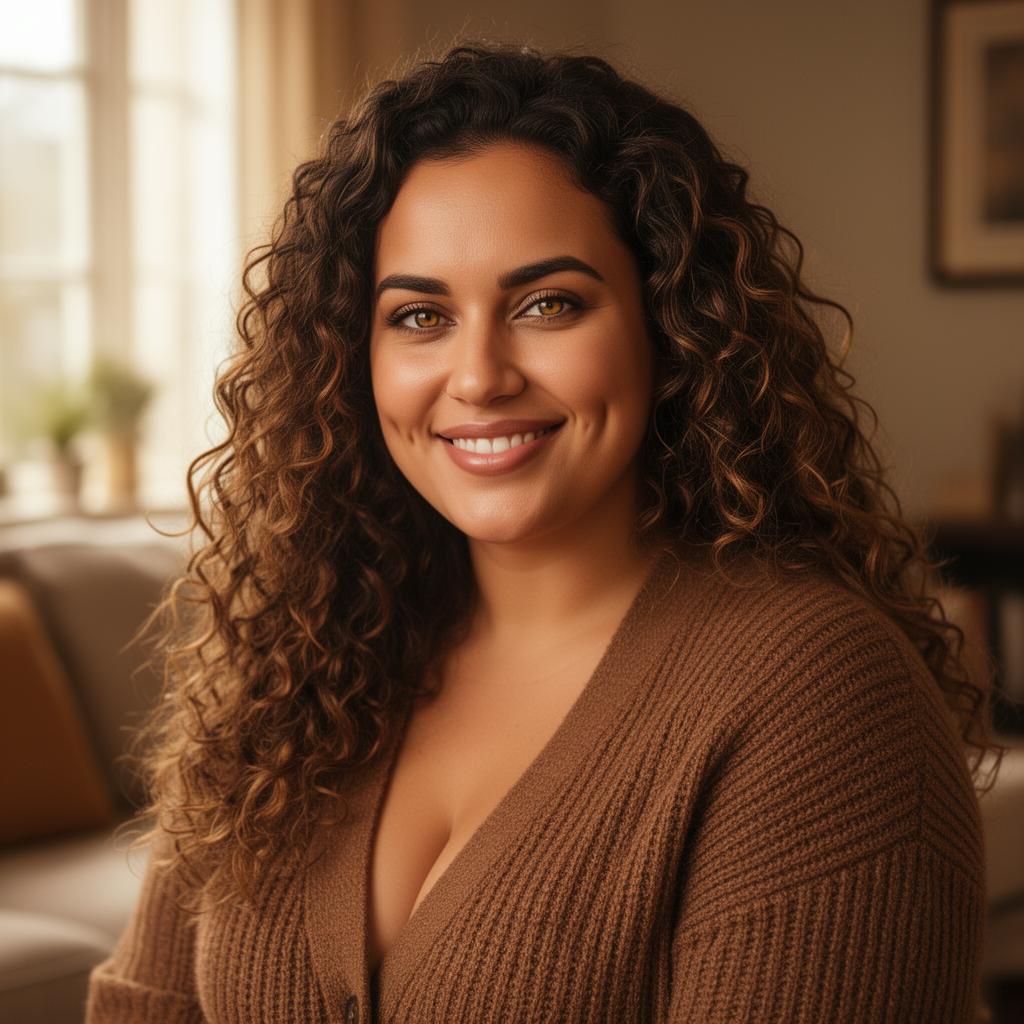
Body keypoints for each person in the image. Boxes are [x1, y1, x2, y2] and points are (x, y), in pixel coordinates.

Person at [86, 40, 1003, 1024]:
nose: (478, 376)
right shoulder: (303, 652)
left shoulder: (818, 695)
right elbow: (146, 1005)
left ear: (669, 326)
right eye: (419, 315)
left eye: (547, 304)